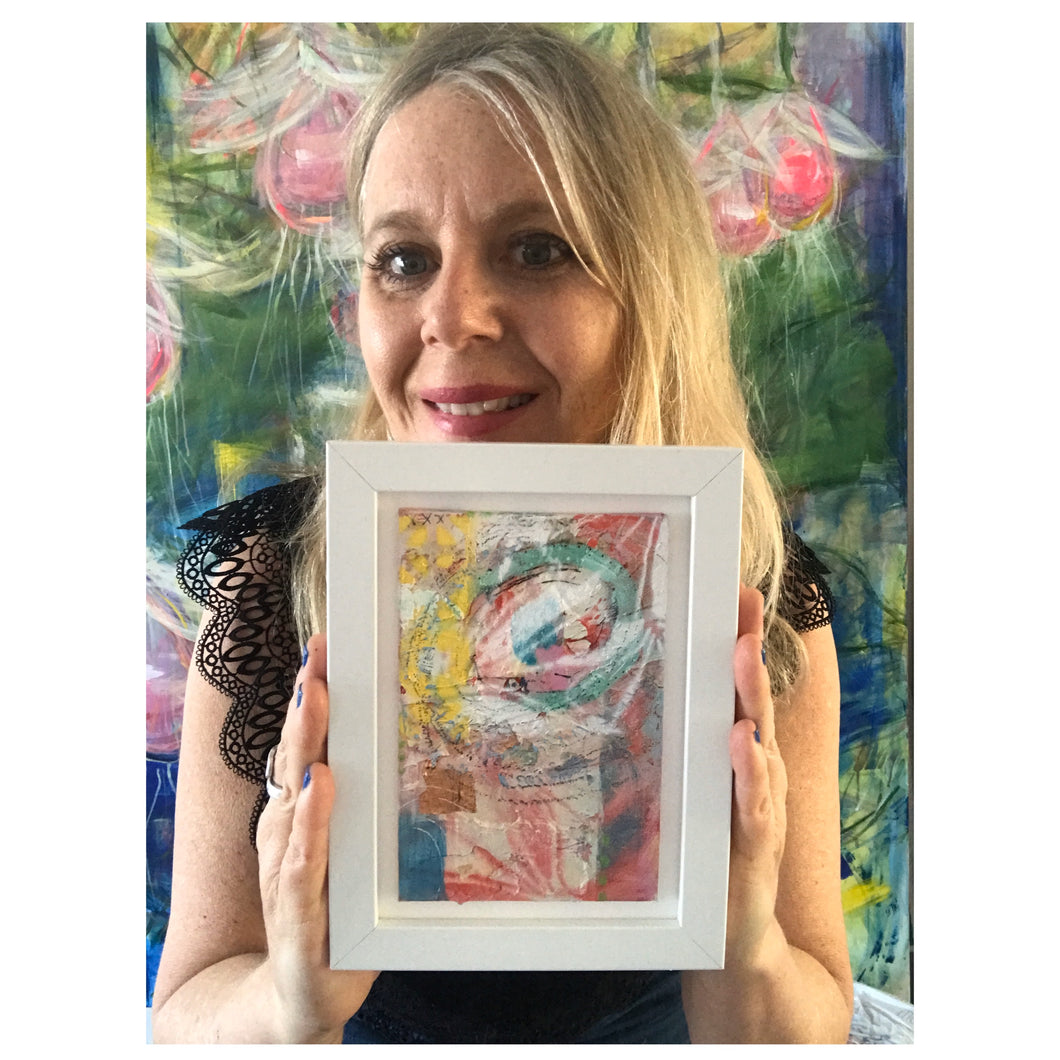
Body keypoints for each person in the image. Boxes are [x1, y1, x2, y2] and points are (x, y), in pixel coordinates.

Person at [151, 23, 854, 1044]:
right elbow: (186, 1008)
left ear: (645, 284)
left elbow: (813, 1007)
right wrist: (289, 1001)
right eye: (402, 259)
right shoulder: (275, 582)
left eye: (535, 249)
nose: (452, 316)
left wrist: (746, 961)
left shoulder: (754, 594)